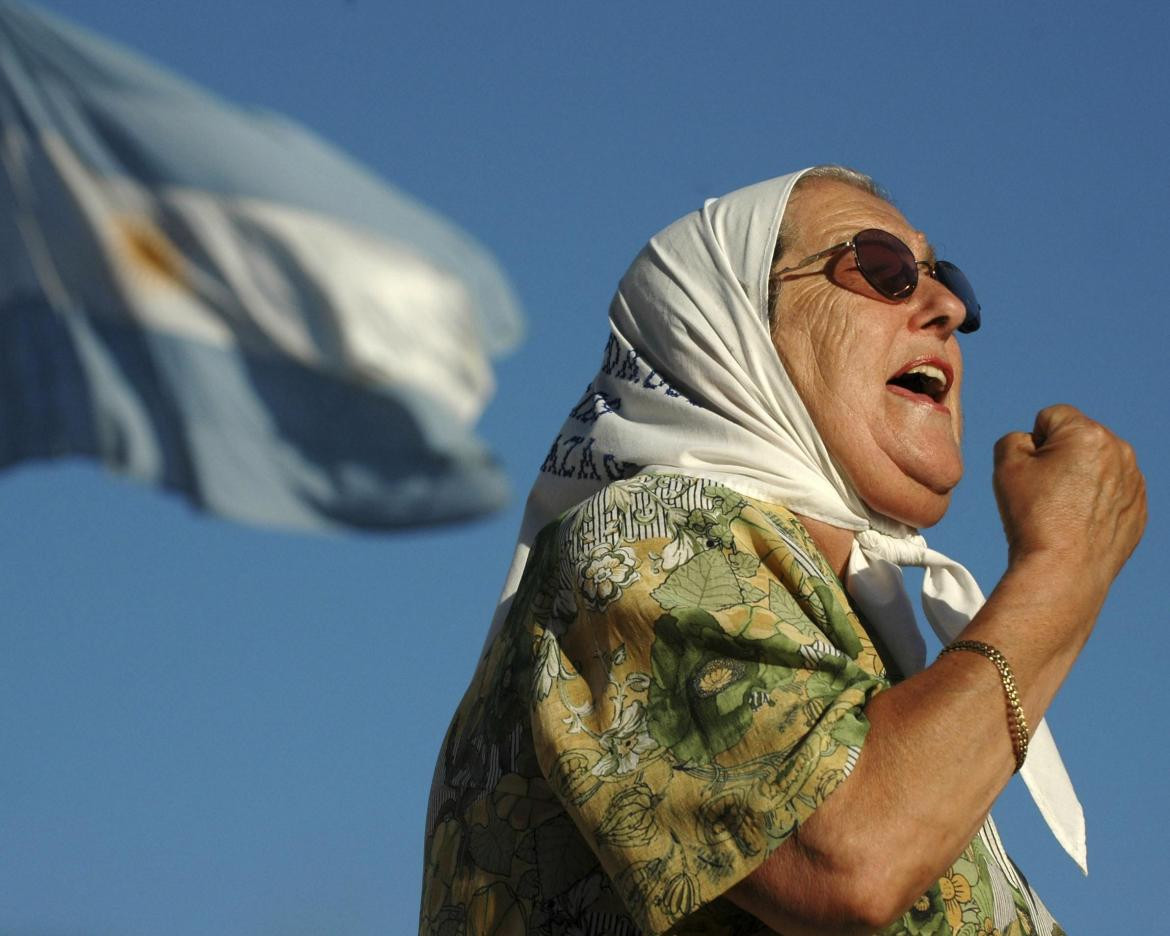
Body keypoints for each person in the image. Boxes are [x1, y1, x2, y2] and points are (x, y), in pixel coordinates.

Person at [418, 167, 1146, 935]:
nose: (949, 308)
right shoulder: (646, 537)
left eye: (945, 277)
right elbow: (852, 859)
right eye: (883, 268)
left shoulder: (863, 662)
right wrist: (1066, 565)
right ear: (730, 331)